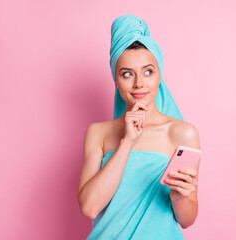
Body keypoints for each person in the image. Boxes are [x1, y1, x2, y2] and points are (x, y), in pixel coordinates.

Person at [77, 14, 201, 240]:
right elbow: (90, 207)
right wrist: (127, 141)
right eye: (127, 74)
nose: (139, 84)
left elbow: (187, 219)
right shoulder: (98, 133)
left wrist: (179, 197)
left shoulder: (182, 133)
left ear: (159, 75)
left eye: (148, 72)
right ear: (116, 78)